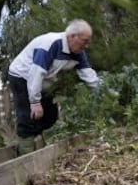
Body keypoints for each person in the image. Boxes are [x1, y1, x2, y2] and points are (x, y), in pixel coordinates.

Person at [8, 19, 101, 155]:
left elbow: (89, 76)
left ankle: (38, 143)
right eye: (84, 41)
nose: (86, 46)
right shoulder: (51, 44)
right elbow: (36, 74)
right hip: (22, 76)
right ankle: (24, 155)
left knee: (50, 116)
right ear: (73, 36)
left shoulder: (78, 53)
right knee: (28, 116)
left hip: (44, 80)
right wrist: (34, 102)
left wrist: (104, 92)